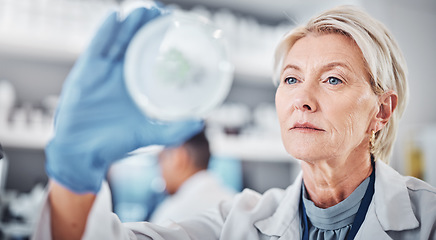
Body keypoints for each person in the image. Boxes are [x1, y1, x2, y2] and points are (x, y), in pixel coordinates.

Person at [32, 3, 436, 240]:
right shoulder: (239, 223)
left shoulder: (429, 219)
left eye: (333, 79)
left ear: (381, 111)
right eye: (291, 79)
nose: (302, 100)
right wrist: (74, 175)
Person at [149, 130, 235, 224]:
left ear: (178, 158)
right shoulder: (234, 203)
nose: (160, 169)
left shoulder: (173, 214)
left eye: (161, 159)